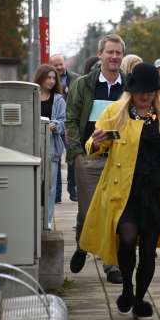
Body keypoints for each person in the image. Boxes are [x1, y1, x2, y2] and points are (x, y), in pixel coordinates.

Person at [79, 62, 160, 320]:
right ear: (131, 90)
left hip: (153, 193)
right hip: (123, 191)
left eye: (150, 91)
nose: (145, 95)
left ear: (156, 92)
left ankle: (139, 298)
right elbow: (93, 143)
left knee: (148, 250)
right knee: (126, 239)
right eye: (140, 91)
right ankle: (127, 287)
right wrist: (97, 141)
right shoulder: (116, 111)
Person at [66, 34, 126, 284]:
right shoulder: (84, 84)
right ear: (100, 54)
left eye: (118, 53)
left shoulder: (129, 87)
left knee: (113, 212)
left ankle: (111, 265)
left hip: (120, 160)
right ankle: (82, 245)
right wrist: (78, 153)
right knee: (88, 212)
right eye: (110, 52)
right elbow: (71, 119)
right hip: (89, 159)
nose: (114, 57)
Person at [34, 64, 66, 229]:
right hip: (32, 146)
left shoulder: (59, 99)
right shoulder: (31, 95)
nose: (52, 81)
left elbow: (63, 121)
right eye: (49, 77)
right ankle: (33, 218)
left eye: (54, 78)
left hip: (51, 147)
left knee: (50, 186)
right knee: (33, 185)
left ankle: (47, 220)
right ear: (41, 77)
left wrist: (55, 125)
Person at [50, 54, 81, 203]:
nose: (59, 67)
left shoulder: (76, 78)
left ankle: (73, 190)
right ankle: (55, 194)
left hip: (71, 124)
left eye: (61, 64)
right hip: (55, 124)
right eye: (55, 65)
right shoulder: (48, 80)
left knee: (73, 157)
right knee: (54, 157)